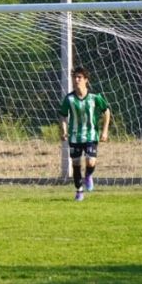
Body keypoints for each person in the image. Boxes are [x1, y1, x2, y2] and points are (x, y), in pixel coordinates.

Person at [59, 66, 111, 201]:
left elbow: (106, 111)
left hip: (91, 135)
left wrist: (105, 131)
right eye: (74, 77)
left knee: (91, 161)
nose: (76, 80)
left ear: (86, 80)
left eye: (79, 77)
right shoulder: (69, 99)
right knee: (76, 165)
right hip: (75, 137)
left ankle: (88, 176)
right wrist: (64, 131)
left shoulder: (95, 97)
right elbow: (63, 116)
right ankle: (79, 191)